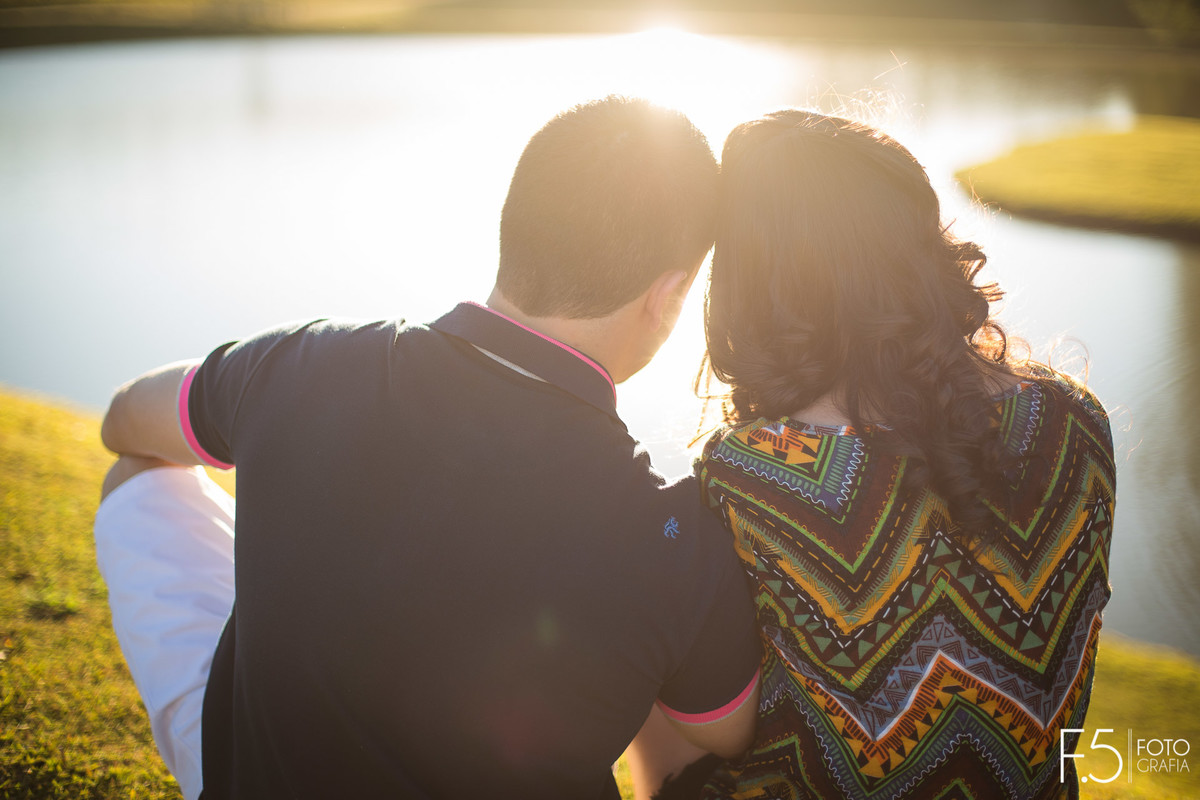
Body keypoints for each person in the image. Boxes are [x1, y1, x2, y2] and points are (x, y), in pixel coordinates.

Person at [94, 95, 763, 800]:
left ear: (518, 227)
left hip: (248, 777)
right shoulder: (665, 532)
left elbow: (124, 421)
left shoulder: (302, 361)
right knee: (659, 667)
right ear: (670, 294)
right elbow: (725, 733)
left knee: (137, 477)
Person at [635, 110, 1117, 800]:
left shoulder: (747, 477)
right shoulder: (1077, 421)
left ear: (758, 277)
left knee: (653, 644)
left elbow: (711, 727)